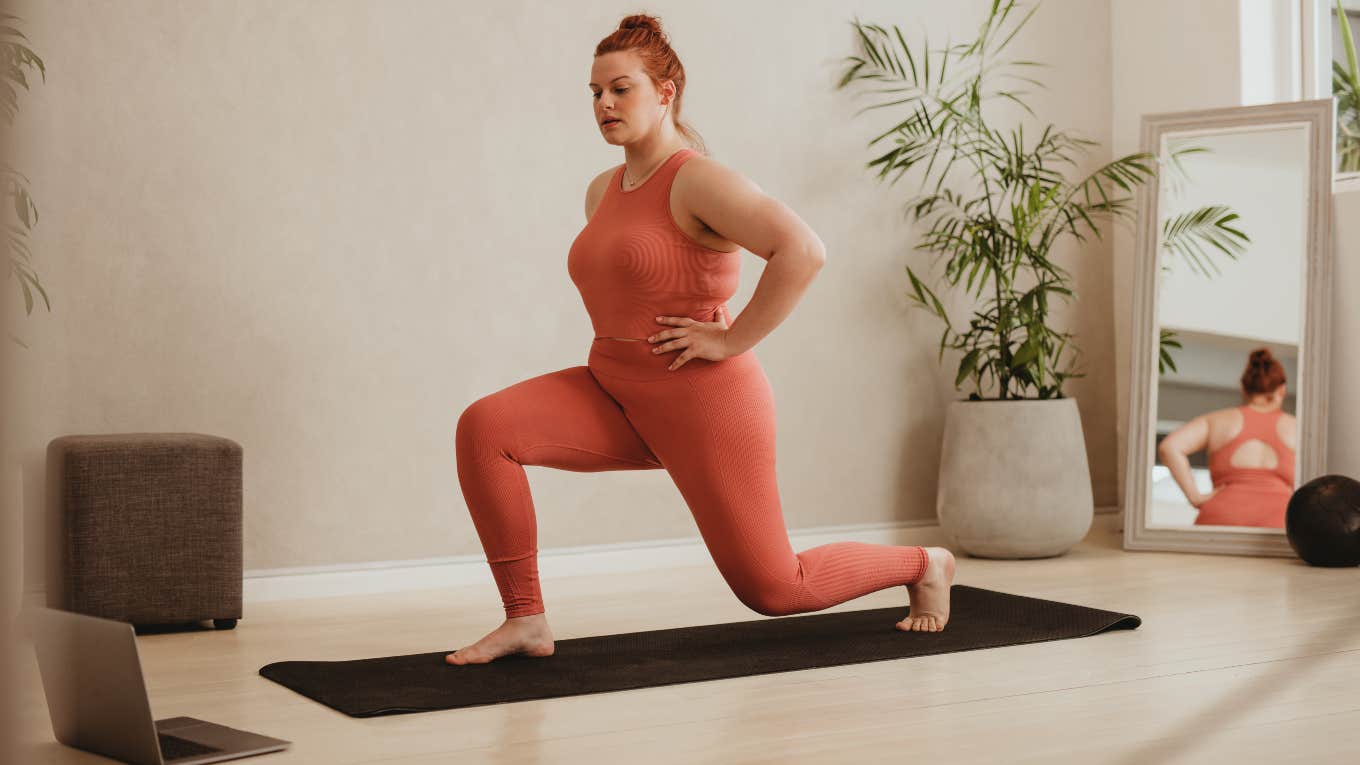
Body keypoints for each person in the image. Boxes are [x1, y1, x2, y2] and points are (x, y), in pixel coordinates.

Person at [447, 14, 956, 666]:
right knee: (485, 428)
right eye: (594, 92)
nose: (603, 104)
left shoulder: (698, 180)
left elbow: (802, 249)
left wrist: (731, 339)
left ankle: (924, 560)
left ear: (666, 92)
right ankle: (525, 618)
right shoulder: (602, 190)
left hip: (703, 403)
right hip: (615, 390)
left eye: (620, 89)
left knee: (775, 587)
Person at [1157, 348, 1297, 528]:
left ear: (1243, 388)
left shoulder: (1216, 420)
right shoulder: (1296, 428)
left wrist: (1195, 497)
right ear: (1282, 390)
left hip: (1219, 519)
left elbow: (1169, 447)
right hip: (1279, 522)